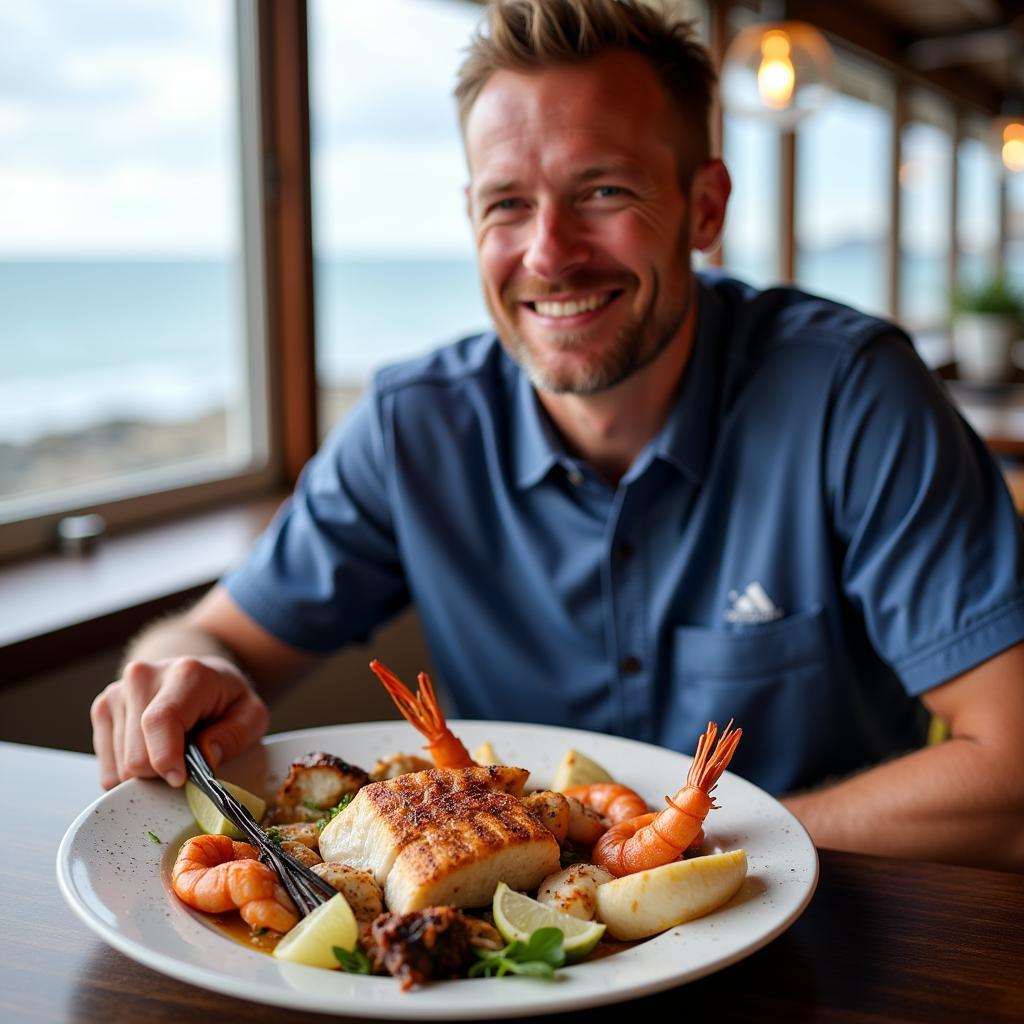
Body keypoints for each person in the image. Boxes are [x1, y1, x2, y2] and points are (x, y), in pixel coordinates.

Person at [92, 0, 1024, 871]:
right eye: (507, 204)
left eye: (603, 190)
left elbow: (1009, 762)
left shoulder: (852, 394)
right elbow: (219, 641)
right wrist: (185, 675)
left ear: (704, 206)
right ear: (470, 219)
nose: (548, 253)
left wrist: (693, 868)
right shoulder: (414, 424)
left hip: (830, 949)